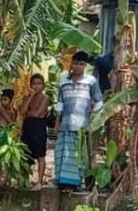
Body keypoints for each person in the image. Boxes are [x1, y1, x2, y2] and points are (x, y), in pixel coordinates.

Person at [55, 51, 103, 190]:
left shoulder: (91, 81)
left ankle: (74, 184)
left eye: (81, 64)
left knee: (79, 156)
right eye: (75, 63)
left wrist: (94, 119)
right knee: (63, 154)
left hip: (82, 126)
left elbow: (99, 102)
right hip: (65, 124)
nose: (78, 66)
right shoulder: (63, 81)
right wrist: (57, 122)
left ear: (85, 65)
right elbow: (60, 103)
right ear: (71, 64)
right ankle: (62, 182)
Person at [22, 74, 51, 187]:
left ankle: (39, 181)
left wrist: (28, 113)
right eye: (34, 84)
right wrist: (30, 98)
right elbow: (22, 112)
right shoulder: (27, 97)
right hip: (27, 127)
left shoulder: (45, 98)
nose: (36, 86)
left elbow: (38, 114)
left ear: (43, 85)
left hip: (39, 128)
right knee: (26, 154)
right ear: (30, 85)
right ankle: (25, 180)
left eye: (39, 83)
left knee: (40, 155)